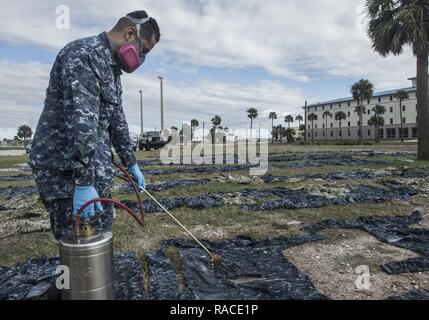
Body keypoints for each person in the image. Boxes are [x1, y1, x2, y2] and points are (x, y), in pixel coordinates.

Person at [29, 10, 160, 239]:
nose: (141, 58)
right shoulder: (84, 55)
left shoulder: (112, 70)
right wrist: (82, 181)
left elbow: (116, 118)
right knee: (77, 243)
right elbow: (82, 122)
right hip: (67, 173)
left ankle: (98, 277)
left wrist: (131, 163)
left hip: (93, 173)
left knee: (100, 237)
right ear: (130, 33)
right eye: (143, 50)